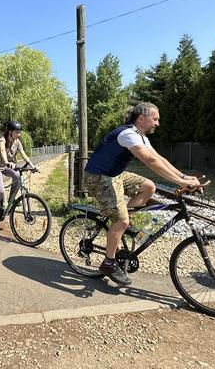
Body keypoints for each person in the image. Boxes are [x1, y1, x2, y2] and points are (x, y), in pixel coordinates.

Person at [84, 102, 201, 287]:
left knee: (148, 187)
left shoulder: (141, 136)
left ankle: (124, 221)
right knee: (120, 221)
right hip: (98, 177)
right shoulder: (128, 134)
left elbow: (160, 158)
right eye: (155, 119)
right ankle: (108, 263)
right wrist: (181, 183)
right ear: (141, 118)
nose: (158, 123)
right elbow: (150, 161)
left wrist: (184, 176)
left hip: (114, 175)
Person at [0, 120, 36, 227]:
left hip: (7, 166)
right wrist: (6, 162)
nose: (18, 134)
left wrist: (32, 166)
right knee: (0, 191)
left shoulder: (17, 141)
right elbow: (2, 150)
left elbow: (23, 153)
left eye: (19, 132)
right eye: (16, 132)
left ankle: (10, 200)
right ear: (10, 131)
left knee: (18, 176)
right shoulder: (2, 139)